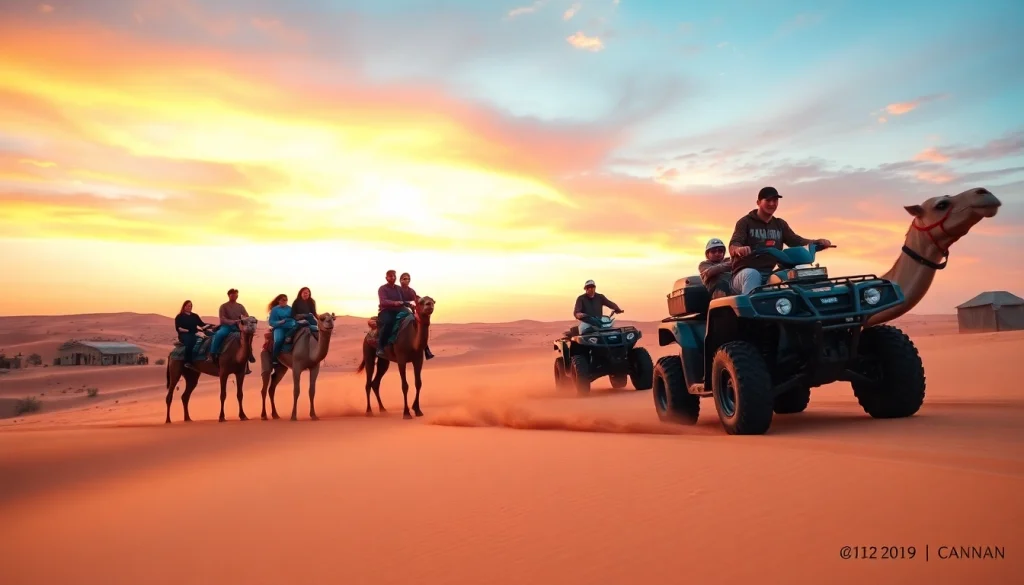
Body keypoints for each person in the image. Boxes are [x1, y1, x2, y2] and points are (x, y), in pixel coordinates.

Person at [728, 186, 832, 295]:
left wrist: (817, 242)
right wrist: (738, 249)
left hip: (769, 273)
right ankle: (749, 311)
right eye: (768, 200)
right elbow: (734, 243)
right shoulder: (745, 222)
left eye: (775, 200)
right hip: (743, 274)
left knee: (791, 274)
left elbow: (796, 240)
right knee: (753, 275)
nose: (772, 204)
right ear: (758, 202)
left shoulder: (780, 224)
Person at [208, 288, 256, 365]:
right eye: (232, 295)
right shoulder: (224, 306)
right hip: (227, 327)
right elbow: (222, 319)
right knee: (219, 335)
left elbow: (246, 316)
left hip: (238, 327)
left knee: (248, 337)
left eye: (236, 295)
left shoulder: (240, 306)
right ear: (229, 295)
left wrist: (246, 319)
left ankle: (249, 354)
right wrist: (232, 321)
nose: (234, 296)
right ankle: (213, 354)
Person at [398, 272, 434, 360]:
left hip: (409, 311)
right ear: (401, 280)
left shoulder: (411, 291)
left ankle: (426, 349)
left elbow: (416, 299)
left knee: (419, 326)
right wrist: (407, 303)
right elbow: (397, 300)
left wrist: (421, 300)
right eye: (405, 279)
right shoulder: (397, 290)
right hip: (397, 310)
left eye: (408, 279)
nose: (407, 280)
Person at [375, 270, 410, 359]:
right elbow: (383, 301)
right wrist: (395, 303)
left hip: (399, 310)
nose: (393, 278)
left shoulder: (399, 288)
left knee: (412, 317)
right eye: (390, 276)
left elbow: (404, 299)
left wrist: (411, 303)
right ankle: (380, 347)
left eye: (394, 276)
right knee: (389, 322)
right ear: (386, 278)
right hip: (386, 310)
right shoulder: (382, 289)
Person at [174, 300, 211, 370]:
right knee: (191, 342)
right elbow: (179, 328)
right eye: (188, 306)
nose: (189, 307)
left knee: (205, 341)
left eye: (190, 306)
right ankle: (187, 361)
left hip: (194, 334)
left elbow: (202, 325)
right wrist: (189, 330)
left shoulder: (195, 316)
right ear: (184, 306)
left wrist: (210, 325)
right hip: (184, 335)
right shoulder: (179, 316)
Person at [267, 294, 295, 366]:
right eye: (283, 300)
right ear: (279, 300)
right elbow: (271, 322)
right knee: (279, 340)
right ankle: (274, 358)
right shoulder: (275, 310)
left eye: (286, 300)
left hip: (290, 327)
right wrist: (280, 322)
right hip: (279, 328)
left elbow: (294, 318)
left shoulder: (290, 309)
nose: (285, 301)